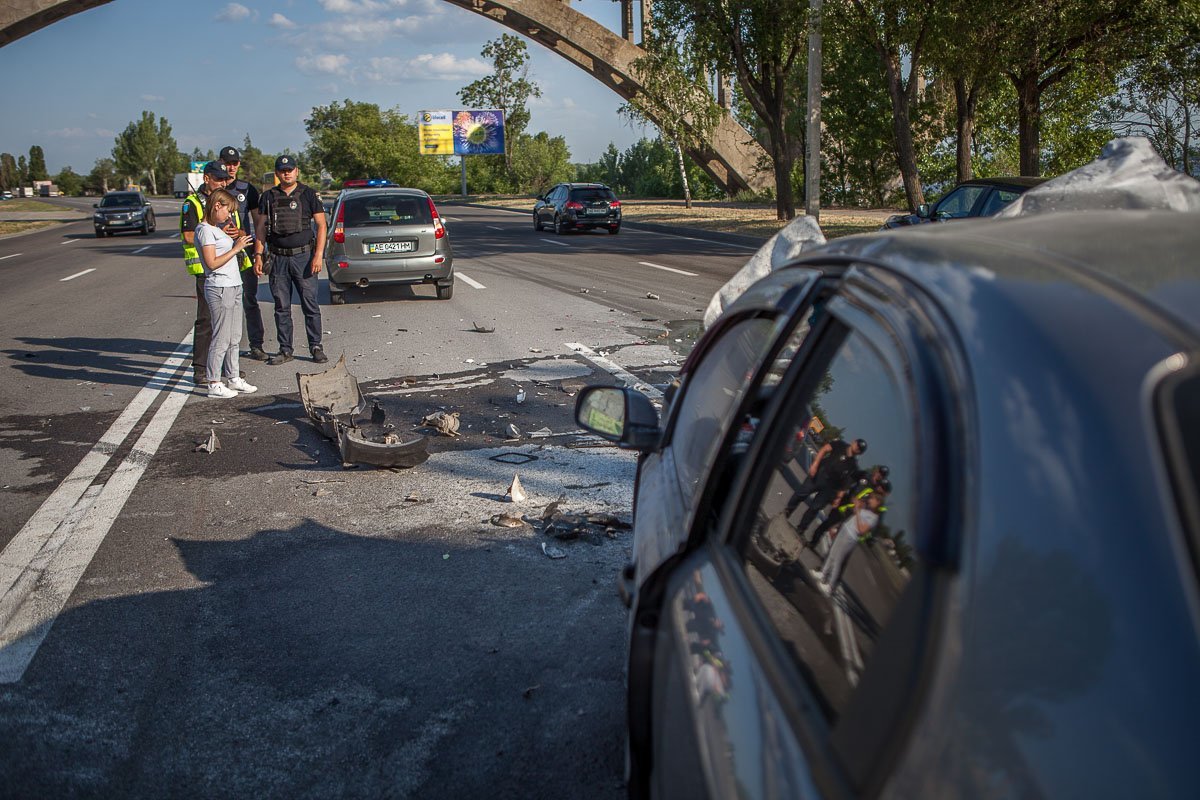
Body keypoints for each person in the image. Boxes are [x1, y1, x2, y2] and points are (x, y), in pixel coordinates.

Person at [253, 155, 327, 365]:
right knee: (281, 307)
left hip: (304, 257)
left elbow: (321, 226)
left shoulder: (309, 194)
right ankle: (285, 350)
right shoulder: (268, 197)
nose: (286, 173)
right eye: (282, 170)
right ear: (277, 173)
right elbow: (261, 228)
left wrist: (318, 255)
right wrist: (258, 255)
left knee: (310, 304)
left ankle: (316, 346)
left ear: (297, 171)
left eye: (290, 169)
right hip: (278, 258)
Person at [194, 189, 257, 398]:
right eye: (227, 211)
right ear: (216, 206)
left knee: (234, 336)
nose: (229, 216)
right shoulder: (204, 230)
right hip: (219, 287)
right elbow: (211, 263)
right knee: (221, 337)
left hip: (234, 285)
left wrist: (235, 236)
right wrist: (236, 248)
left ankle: (233, 377)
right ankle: (213, 382)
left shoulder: (217, 228)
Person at [180, 161, 233, 385]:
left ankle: (222, 367)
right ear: (206, 179)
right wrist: (215, 232)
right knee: (206, 320)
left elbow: (234, 229)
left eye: (225, 179)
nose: (223, 182)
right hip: (205, 269)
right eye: (218, 179)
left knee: (226, 320)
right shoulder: (193, 203)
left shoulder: (224, 202)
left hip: (227, 268)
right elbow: (189, 235)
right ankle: (200, 368)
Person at [218, 145, 267, 362]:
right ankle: (221, 350)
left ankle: (256, 345)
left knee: (249, 299)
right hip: (219, 253)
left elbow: (259, 224)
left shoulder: (247, 190)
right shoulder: (212, 190)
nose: (231, 167)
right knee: (223, 304)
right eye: (227, 163)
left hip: (243, 251)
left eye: (234, 163)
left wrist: (258, 252)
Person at [786, 436, 867, 534]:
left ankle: (801, 528)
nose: (857, 448)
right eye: (857, 445)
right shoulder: (840, 445)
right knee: (801, 493)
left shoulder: (853, 465)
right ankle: (787, 511)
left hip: (831, 487)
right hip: (821, 474)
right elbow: (824, 449)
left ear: (860, 453)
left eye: (860, 449)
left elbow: (845, 483)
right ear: (854, 442)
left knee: (815, 508)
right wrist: (815, 464)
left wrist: (838, 498)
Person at [814, 491, 884, 595]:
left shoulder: (874, 518)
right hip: (845, 529)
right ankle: (823, 573)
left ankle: (830, 586)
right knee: (833, 552)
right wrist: (857, 503)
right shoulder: (866, 508)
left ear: (878, 502)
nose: (870, 500)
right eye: (870, 498)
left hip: (851, 537)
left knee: (838, 560)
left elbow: (862, 530)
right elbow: (854, 502)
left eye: (872, 499)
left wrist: (858, 512)